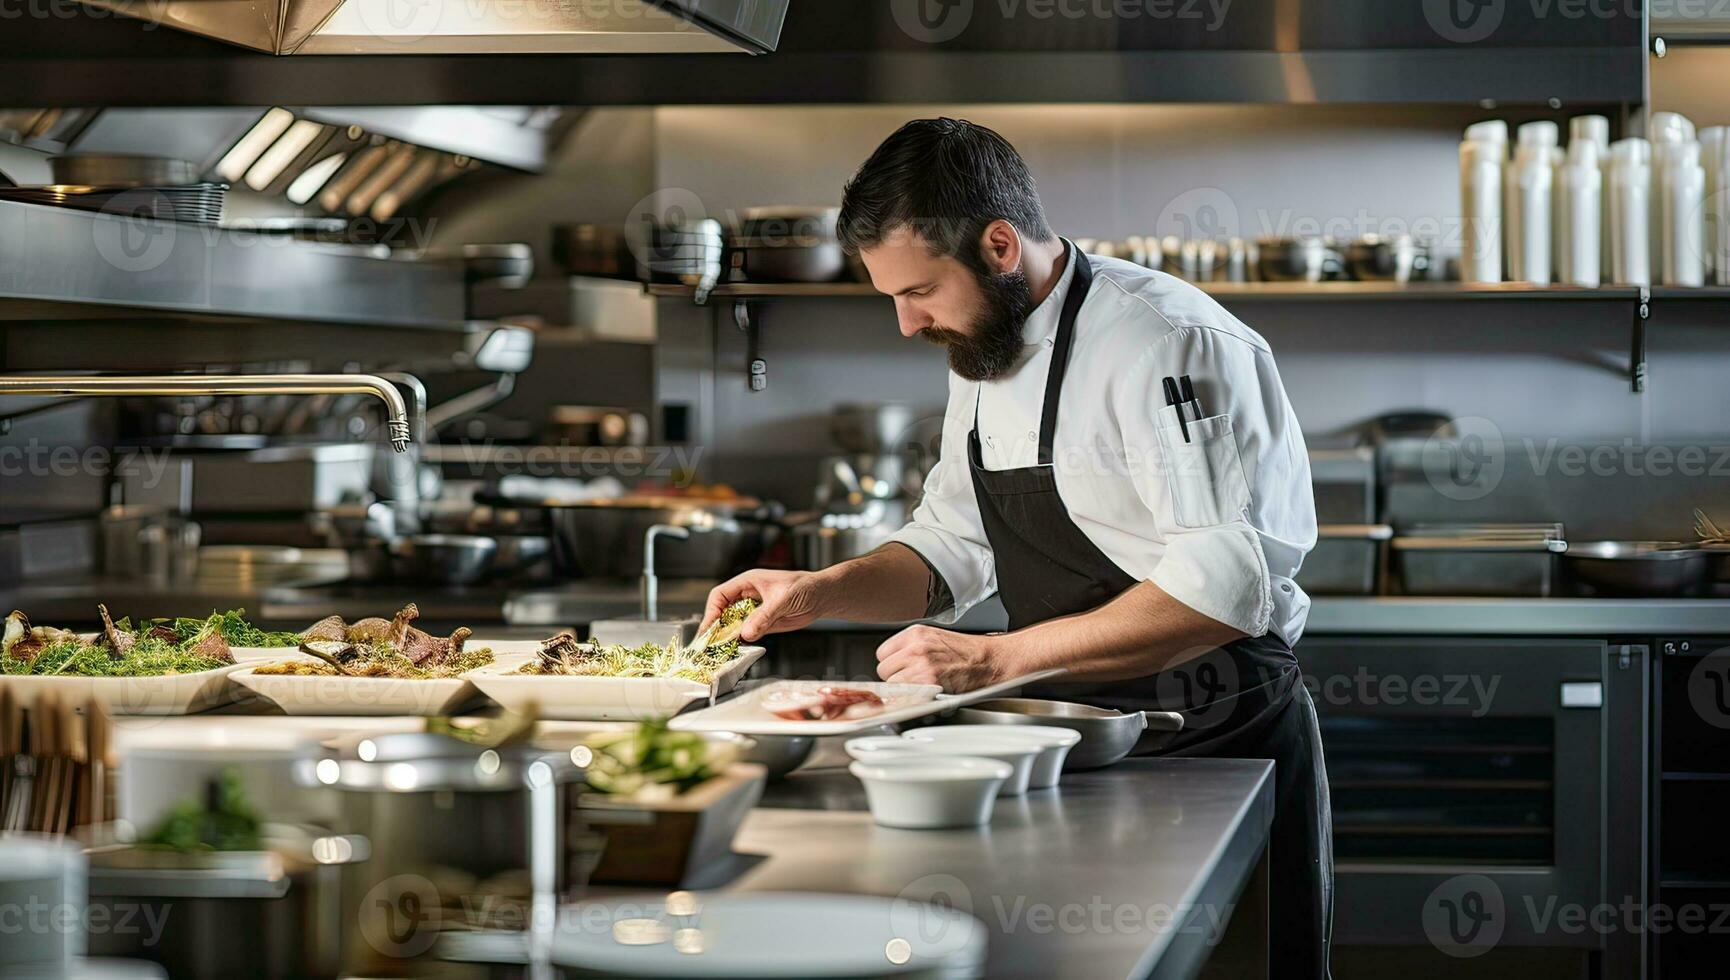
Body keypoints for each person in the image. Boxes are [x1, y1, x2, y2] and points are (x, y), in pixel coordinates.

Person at [700, 117, 1330, 977]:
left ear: (1000, 244)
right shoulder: (984, 351)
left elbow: (1221, 586)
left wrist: (996, 661)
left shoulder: (1165, 341)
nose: (905, 323)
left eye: (918, 291)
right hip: (1067, 737)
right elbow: (952, 545)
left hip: (1212, 737)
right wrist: (821, 592)